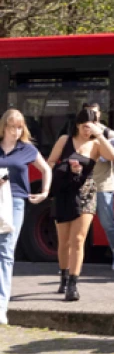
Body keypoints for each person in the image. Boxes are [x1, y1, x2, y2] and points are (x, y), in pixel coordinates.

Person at [48, 107, 114, 301]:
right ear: (78, 125)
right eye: (86, 126)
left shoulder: (96, 144)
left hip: (85, 192)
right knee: (64, 241)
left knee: (78, 239)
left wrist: (99, 135)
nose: (89, 130)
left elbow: (112, 155)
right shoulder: (65, 140)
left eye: (93, 126)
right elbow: (51, 162)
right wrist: (64, 169)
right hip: (64, 192)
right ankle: (63, 274)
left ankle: (73, 283)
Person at [0, 109, 53, 325]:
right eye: (12, 126)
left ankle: (1, 306)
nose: (16, 131)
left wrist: (45, 192)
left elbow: (46, 169)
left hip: (16, 202)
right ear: (4, 127)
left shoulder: (27, 148)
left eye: (19, 126)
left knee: (6, 250)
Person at [84, 103, 114, 271]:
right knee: (78, 222)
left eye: (95, 113)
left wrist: (110, 155)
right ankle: (71, 262)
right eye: (89, 113)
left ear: (100, 114)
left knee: (107, 221)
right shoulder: (79, 132)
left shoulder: (109, 133)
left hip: (103, 183)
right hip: (83, 183)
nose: (93, 117)